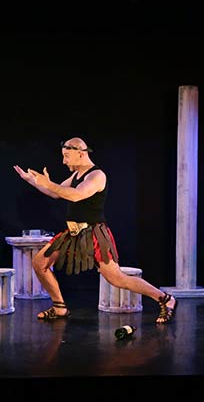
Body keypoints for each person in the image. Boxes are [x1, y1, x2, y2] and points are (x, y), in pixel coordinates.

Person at [13, 137, 176, 324]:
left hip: (94, 234)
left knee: (117, 278)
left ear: (80, 153)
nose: (64, 161)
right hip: (73, 233)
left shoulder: (97, 176)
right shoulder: (76, 175)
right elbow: (57, 193)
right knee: (40, 262)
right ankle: (59, 307)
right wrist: (33, 181)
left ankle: (165, 299)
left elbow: (76, 195)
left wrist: (48, 183)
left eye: (66, 156)